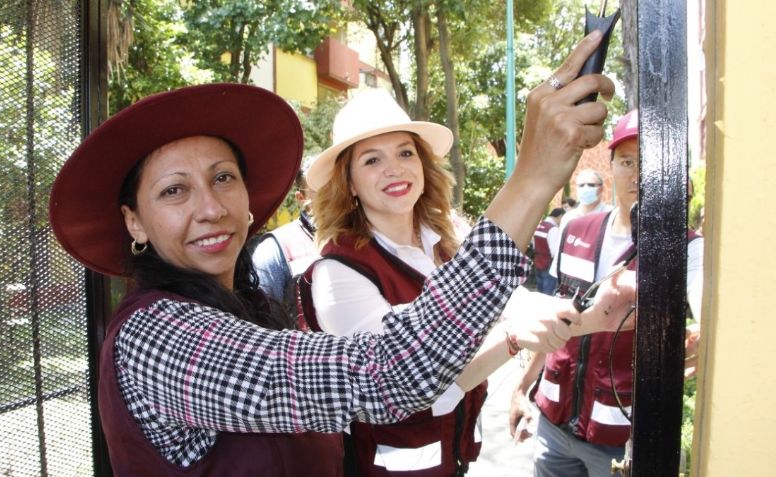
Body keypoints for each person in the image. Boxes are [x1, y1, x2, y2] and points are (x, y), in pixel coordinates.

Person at [48, 34, 629, 476]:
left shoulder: (240, 306)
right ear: (133, 221)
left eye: (223, 178)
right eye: (174, 190)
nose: (210, 207)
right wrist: (531, 179)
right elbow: (390, 373)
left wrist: (584, 320)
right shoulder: (159, 337)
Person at [296, 77, 623, 474]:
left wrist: (585, 313)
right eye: (372, 160)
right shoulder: (336, 274)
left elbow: (509, 299)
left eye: (405, 152)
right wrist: (514, 338)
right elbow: (410, 382)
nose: (394, 169)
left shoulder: (449, 236)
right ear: (348, 183)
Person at [508, 109, 705, 477]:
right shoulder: (575, 229)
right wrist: (522, 388)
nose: (636, 174)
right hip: (553, 423)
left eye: (648, 162)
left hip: (622, 439)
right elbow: (555, 316)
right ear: (611, 167)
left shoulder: (688, 249)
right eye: (627, 161)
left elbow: (709, 308)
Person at [252, 161, 319, 324]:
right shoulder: (274, 249)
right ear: (301, 198)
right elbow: (264, 321)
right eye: (319, 189)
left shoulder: (365, 234)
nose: (332, 194)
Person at [533, 208, 566, 296]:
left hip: (538, 261)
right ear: (560, 216)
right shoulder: (553, 229)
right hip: (548, 263)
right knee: (547, 293)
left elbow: (533, 244)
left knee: (540, 290)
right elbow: (554, 252)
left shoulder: (540, 225)